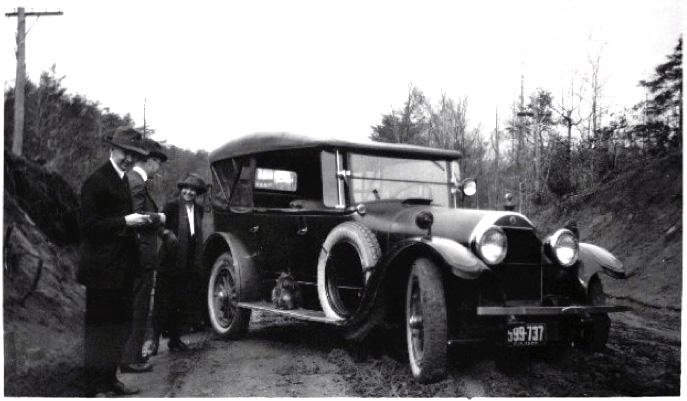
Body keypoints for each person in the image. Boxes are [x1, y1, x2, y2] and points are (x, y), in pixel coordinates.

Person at [78, 127, 152, 396]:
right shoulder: (96, 181)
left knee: (119, 327)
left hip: (121, 270)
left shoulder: (122, 180)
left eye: (134, 155)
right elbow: (87, 227)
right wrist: (125, 222)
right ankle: (94, 387)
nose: (129, 160)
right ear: (112, 150)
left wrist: (135, 224)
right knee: (99, 329)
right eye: (125, 153)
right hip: (101, 272)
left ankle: (110, 380)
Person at [120, 138, 168, 373]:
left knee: (135, 306)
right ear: (150, 161)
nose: (158, 169)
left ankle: (131, 355)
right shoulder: (137, 182)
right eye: (158, 163)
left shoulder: (133, 180)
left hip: (136, 256)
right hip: (140, 257)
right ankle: (132, 359)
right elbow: (137, 217)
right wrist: (159, 219)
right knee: (138, 308)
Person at [153, 173, 207, 353]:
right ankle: (154, 341)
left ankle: (174, 340)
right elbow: (158, 225)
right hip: (170, 261)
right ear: (181, 189)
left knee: (180, 302)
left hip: (188, 262)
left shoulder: (199, 209)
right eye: (186, 188)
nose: (189, 192)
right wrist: (167, 234)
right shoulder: (171, 206)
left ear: (197, 193)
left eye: (193, 190)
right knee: (163, 301)